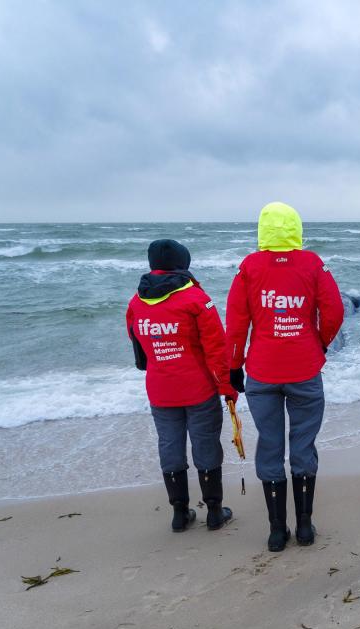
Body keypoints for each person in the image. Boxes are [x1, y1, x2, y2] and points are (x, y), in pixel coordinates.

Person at [225, 202, 344, 552]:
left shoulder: (249, 266)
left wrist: (235, 365)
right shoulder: (312, 263)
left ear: (263, 229)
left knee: (271, 444)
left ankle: (278, 532)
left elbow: (236, 322)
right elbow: (334, 311)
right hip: (305, 369)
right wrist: (318, 343)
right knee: (303, 444)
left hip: (262, 371)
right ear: (296, 228)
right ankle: (304, 527)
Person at [125, 239, 237, 533]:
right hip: (198, 389)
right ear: (183, 263)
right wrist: (226, 386)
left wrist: (148, 366)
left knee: (170, 446)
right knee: (206, 445)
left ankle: (179, 514)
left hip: (160, 389)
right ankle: (214, 512)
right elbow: (216, 348)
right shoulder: (196, 299)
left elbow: (138, 346)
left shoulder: (136, 302)